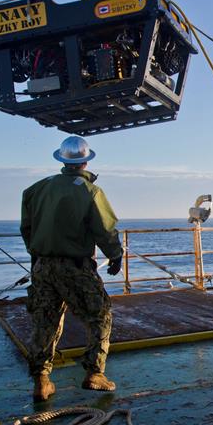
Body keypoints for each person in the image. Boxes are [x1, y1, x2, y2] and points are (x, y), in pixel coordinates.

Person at [21, 136, 124, 401]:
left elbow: (27, 229)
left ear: (62, 160)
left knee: (45, 320)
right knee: (100, 313)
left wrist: (38, 255)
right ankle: (94, 373)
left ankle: (42, 381)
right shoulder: (91, 192)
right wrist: (115, 256)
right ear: (86, 161)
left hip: (42, 265)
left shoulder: (37, 189)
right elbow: (104, 230)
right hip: (75, 266)